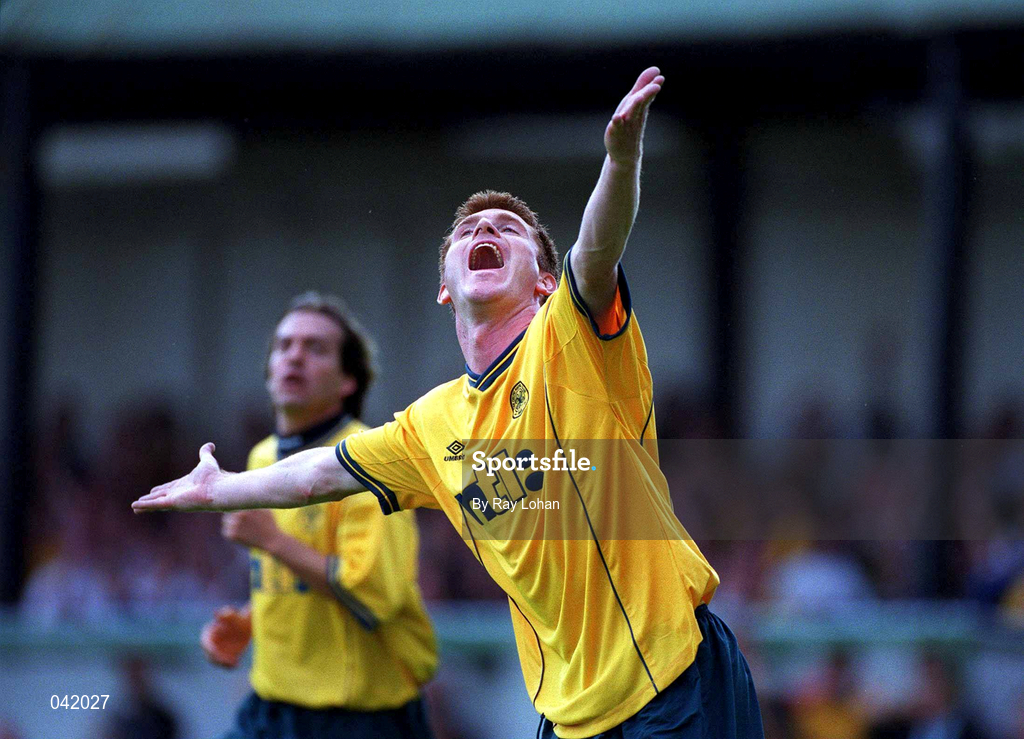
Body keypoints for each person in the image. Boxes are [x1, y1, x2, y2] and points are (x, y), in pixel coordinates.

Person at [135, 67, 763, 739]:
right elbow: (322, 472)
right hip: (572, 713)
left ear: (546, 282)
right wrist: (223, 485)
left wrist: (621, 161)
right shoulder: (432, 424)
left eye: (509, 228)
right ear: (445, 287)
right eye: (467, 230)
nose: (485, 227)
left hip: (675, 679)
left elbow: (598, 246)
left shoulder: (571, 337)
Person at [200, 292, 437, 739]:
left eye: (315, 348)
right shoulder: (261, 457)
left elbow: (372, 596)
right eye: (284, 346)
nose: (294, 357)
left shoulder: (370, 460)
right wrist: (254, 619)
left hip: (359, 715)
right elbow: (294, 573)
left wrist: (273, 540)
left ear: (348, 380)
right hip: (271, 705)